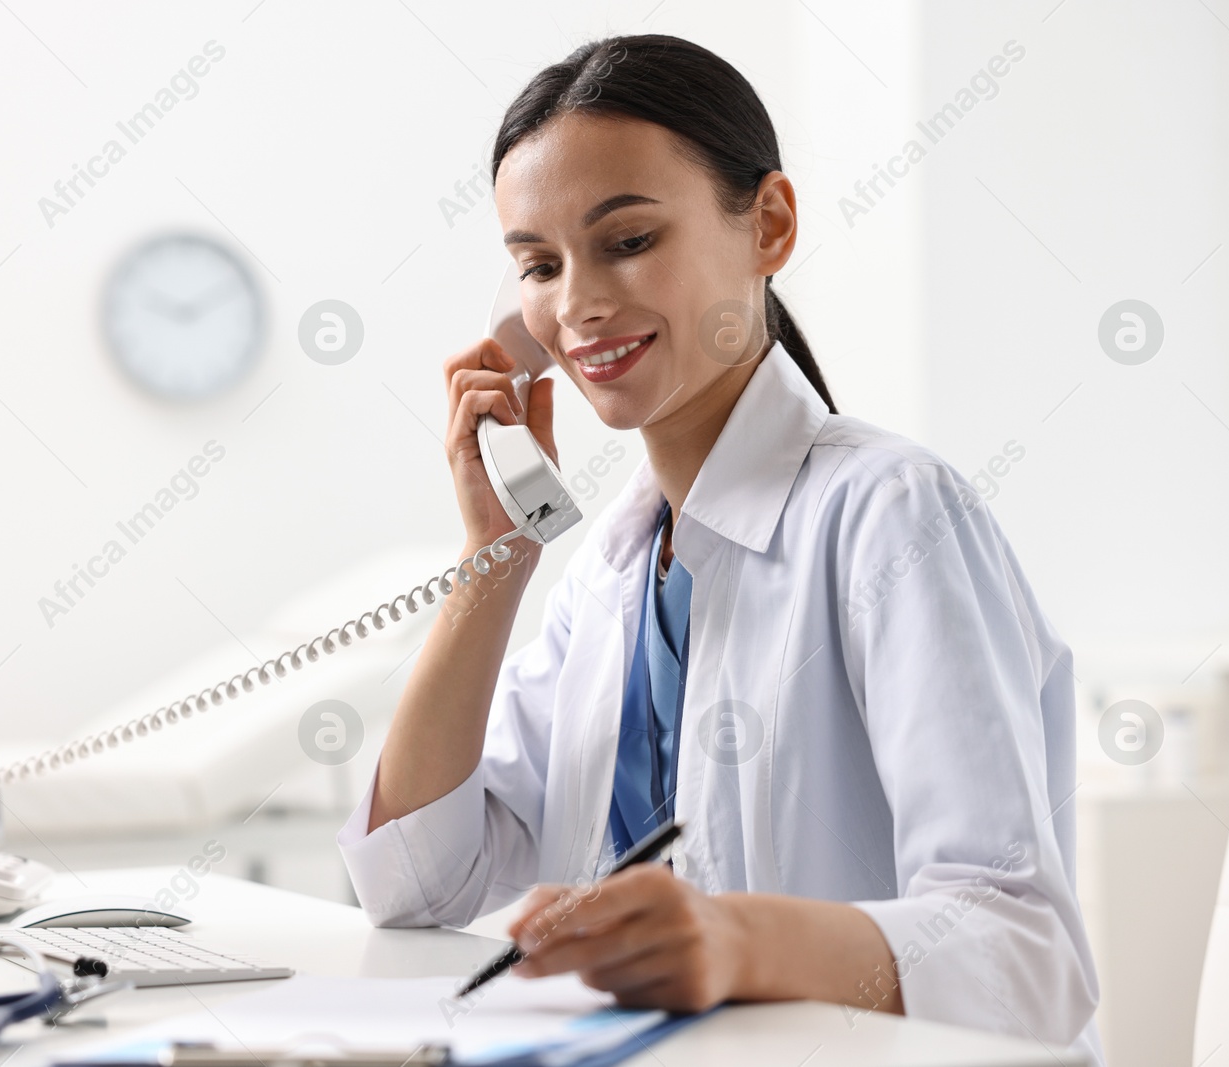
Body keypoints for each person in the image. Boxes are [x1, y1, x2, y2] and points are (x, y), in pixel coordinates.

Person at [337, 33, 1102, 1062]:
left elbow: (1026, 951)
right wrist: (497, 553)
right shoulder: (607, 573)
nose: (576, 307)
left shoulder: (889, 514)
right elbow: (411, 882)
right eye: (538, 265)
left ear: (768, 225)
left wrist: (737, 938)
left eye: (627, 240)